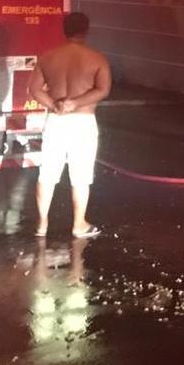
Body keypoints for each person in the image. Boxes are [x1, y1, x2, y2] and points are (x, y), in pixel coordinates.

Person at [28, 12, 111, 238]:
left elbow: (34, 90)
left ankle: (42, 224)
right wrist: (75, 103)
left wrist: (55, 105)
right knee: (81, 176)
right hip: (83, 123)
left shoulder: (48, 57)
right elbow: (103, 90)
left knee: (47, 174)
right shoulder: (97, 59)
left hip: (56, 121)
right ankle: (79, 225)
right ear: (86, 30)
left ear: (64, 30)